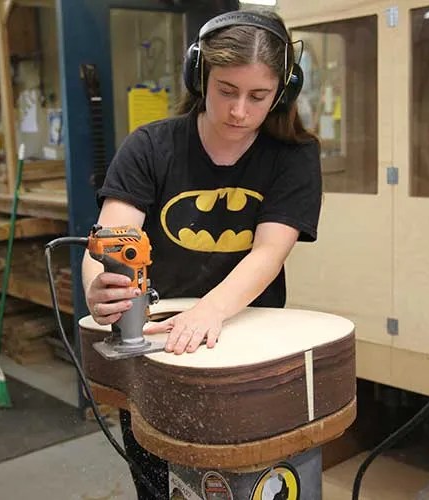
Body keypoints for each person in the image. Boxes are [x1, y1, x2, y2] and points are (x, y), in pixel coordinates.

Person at [82, 9, 322, 500]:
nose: (239, 111)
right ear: (199, 77)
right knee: (158, 484)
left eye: (258, 96)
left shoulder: (293, 157)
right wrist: (99, 287)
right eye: (226, 91)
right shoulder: (149, 147)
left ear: (284, 91)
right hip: (160, 339)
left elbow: (268, 253)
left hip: (248, 338)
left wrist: (210, 309)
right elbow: (113, 235)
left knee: (249, 483)